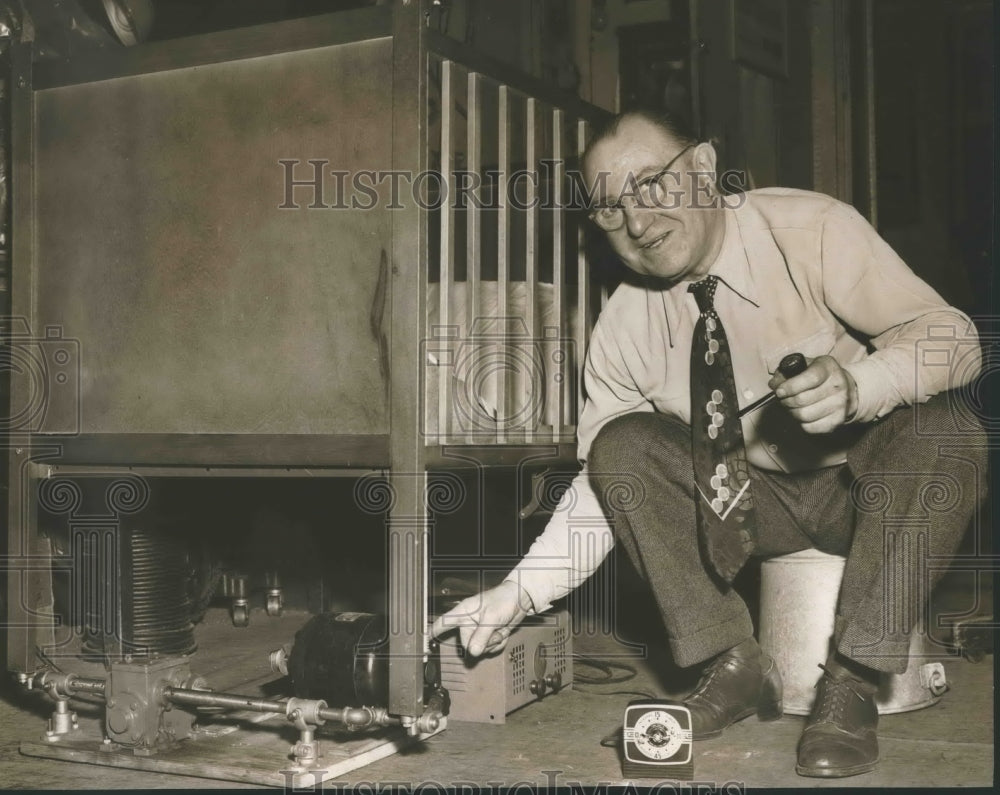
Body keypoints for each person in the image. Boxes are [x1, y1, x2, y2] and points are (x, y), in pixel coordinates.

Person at [431, 110, 987, 778]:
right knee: (620, 444)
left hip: (866, 493)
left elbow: (954, 338)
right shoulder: (625, 324)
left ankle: (852, 678)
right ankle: (732, 662)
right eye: (610, 207)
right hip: (749, 513)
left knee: (950, 429)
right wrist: (516, 593)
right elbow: (606, 486)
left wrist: (862, 384)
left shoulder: (812, 230)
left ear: (702, 167)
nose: (636, 223)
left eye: (651, 185)